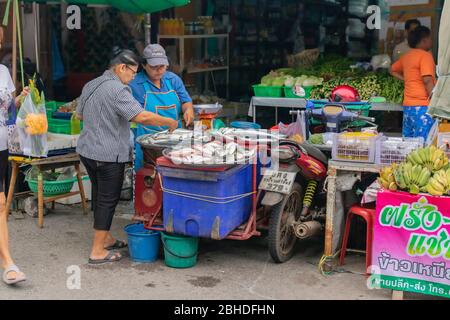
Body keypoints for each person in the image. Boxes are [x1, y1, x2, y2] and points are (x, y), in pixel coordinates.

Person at [76, 49, 178, 264]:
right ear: (121, 68)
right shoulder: (118, 90)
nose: (133, 78)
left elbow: (80, 115)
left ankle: (105, 238)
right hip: (108, 154)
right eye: (132, 73)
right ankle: (97, 252)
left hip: (87, 150)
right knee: (107, 199)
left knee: (99, 195)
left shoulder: (91, 84)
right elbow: (141, 116)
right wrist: (169, 122)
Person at [129, 44, 194, 171]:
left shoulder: (173, 79)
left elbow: (186, 101)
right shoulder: (135, 84)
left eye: (162, 66)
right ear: (144, 65)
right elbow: (139, 116)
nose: (159, 70)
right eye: (154, 67)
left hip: (175, 140)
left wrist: (188, 110)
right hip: (148, 143)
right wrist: (168, 122)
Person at [0, 26, 29, 285]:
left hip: (1, 145)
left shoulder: (2, 72)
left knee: (0, 205)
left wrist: (20, 98)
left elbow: (7, 110)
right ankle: (8, 262)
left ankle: (7, 263)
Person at [390, 26, 436, 139]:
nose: (431, 41)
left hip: (408, 107)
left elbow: (392, 70)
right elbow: (427, 80)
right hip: (423, 107)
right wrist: (435, 101)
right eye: (430, 38)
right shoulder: (425, 56)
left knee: (408, 144)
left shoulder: (407, 56)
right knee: (424, 145)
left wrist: (407, 79)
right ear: (424, 40)